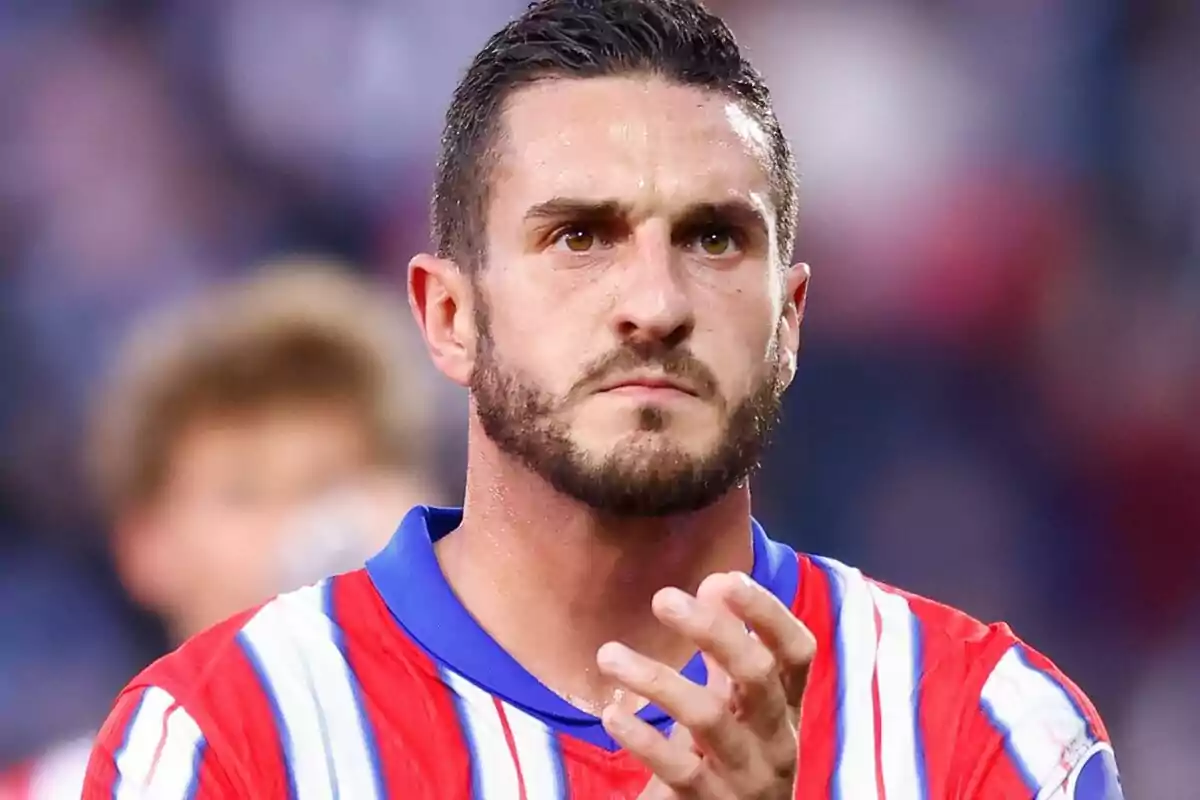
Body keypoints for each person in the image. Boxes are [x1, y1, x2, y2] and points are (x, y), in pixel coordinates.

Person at [83, 1, 1123, 798]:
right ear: (450, 315)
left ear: (790, 319)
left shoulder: (992, 734)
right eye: (578, 236)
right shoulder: (222, 740)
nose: (656, 304)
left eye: (715, 238)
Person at [2, 260, 439, 799]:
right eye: (244, 493)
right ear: (145, 546)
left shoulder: (517, 762)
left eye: (328, 483)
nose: (299, 525)